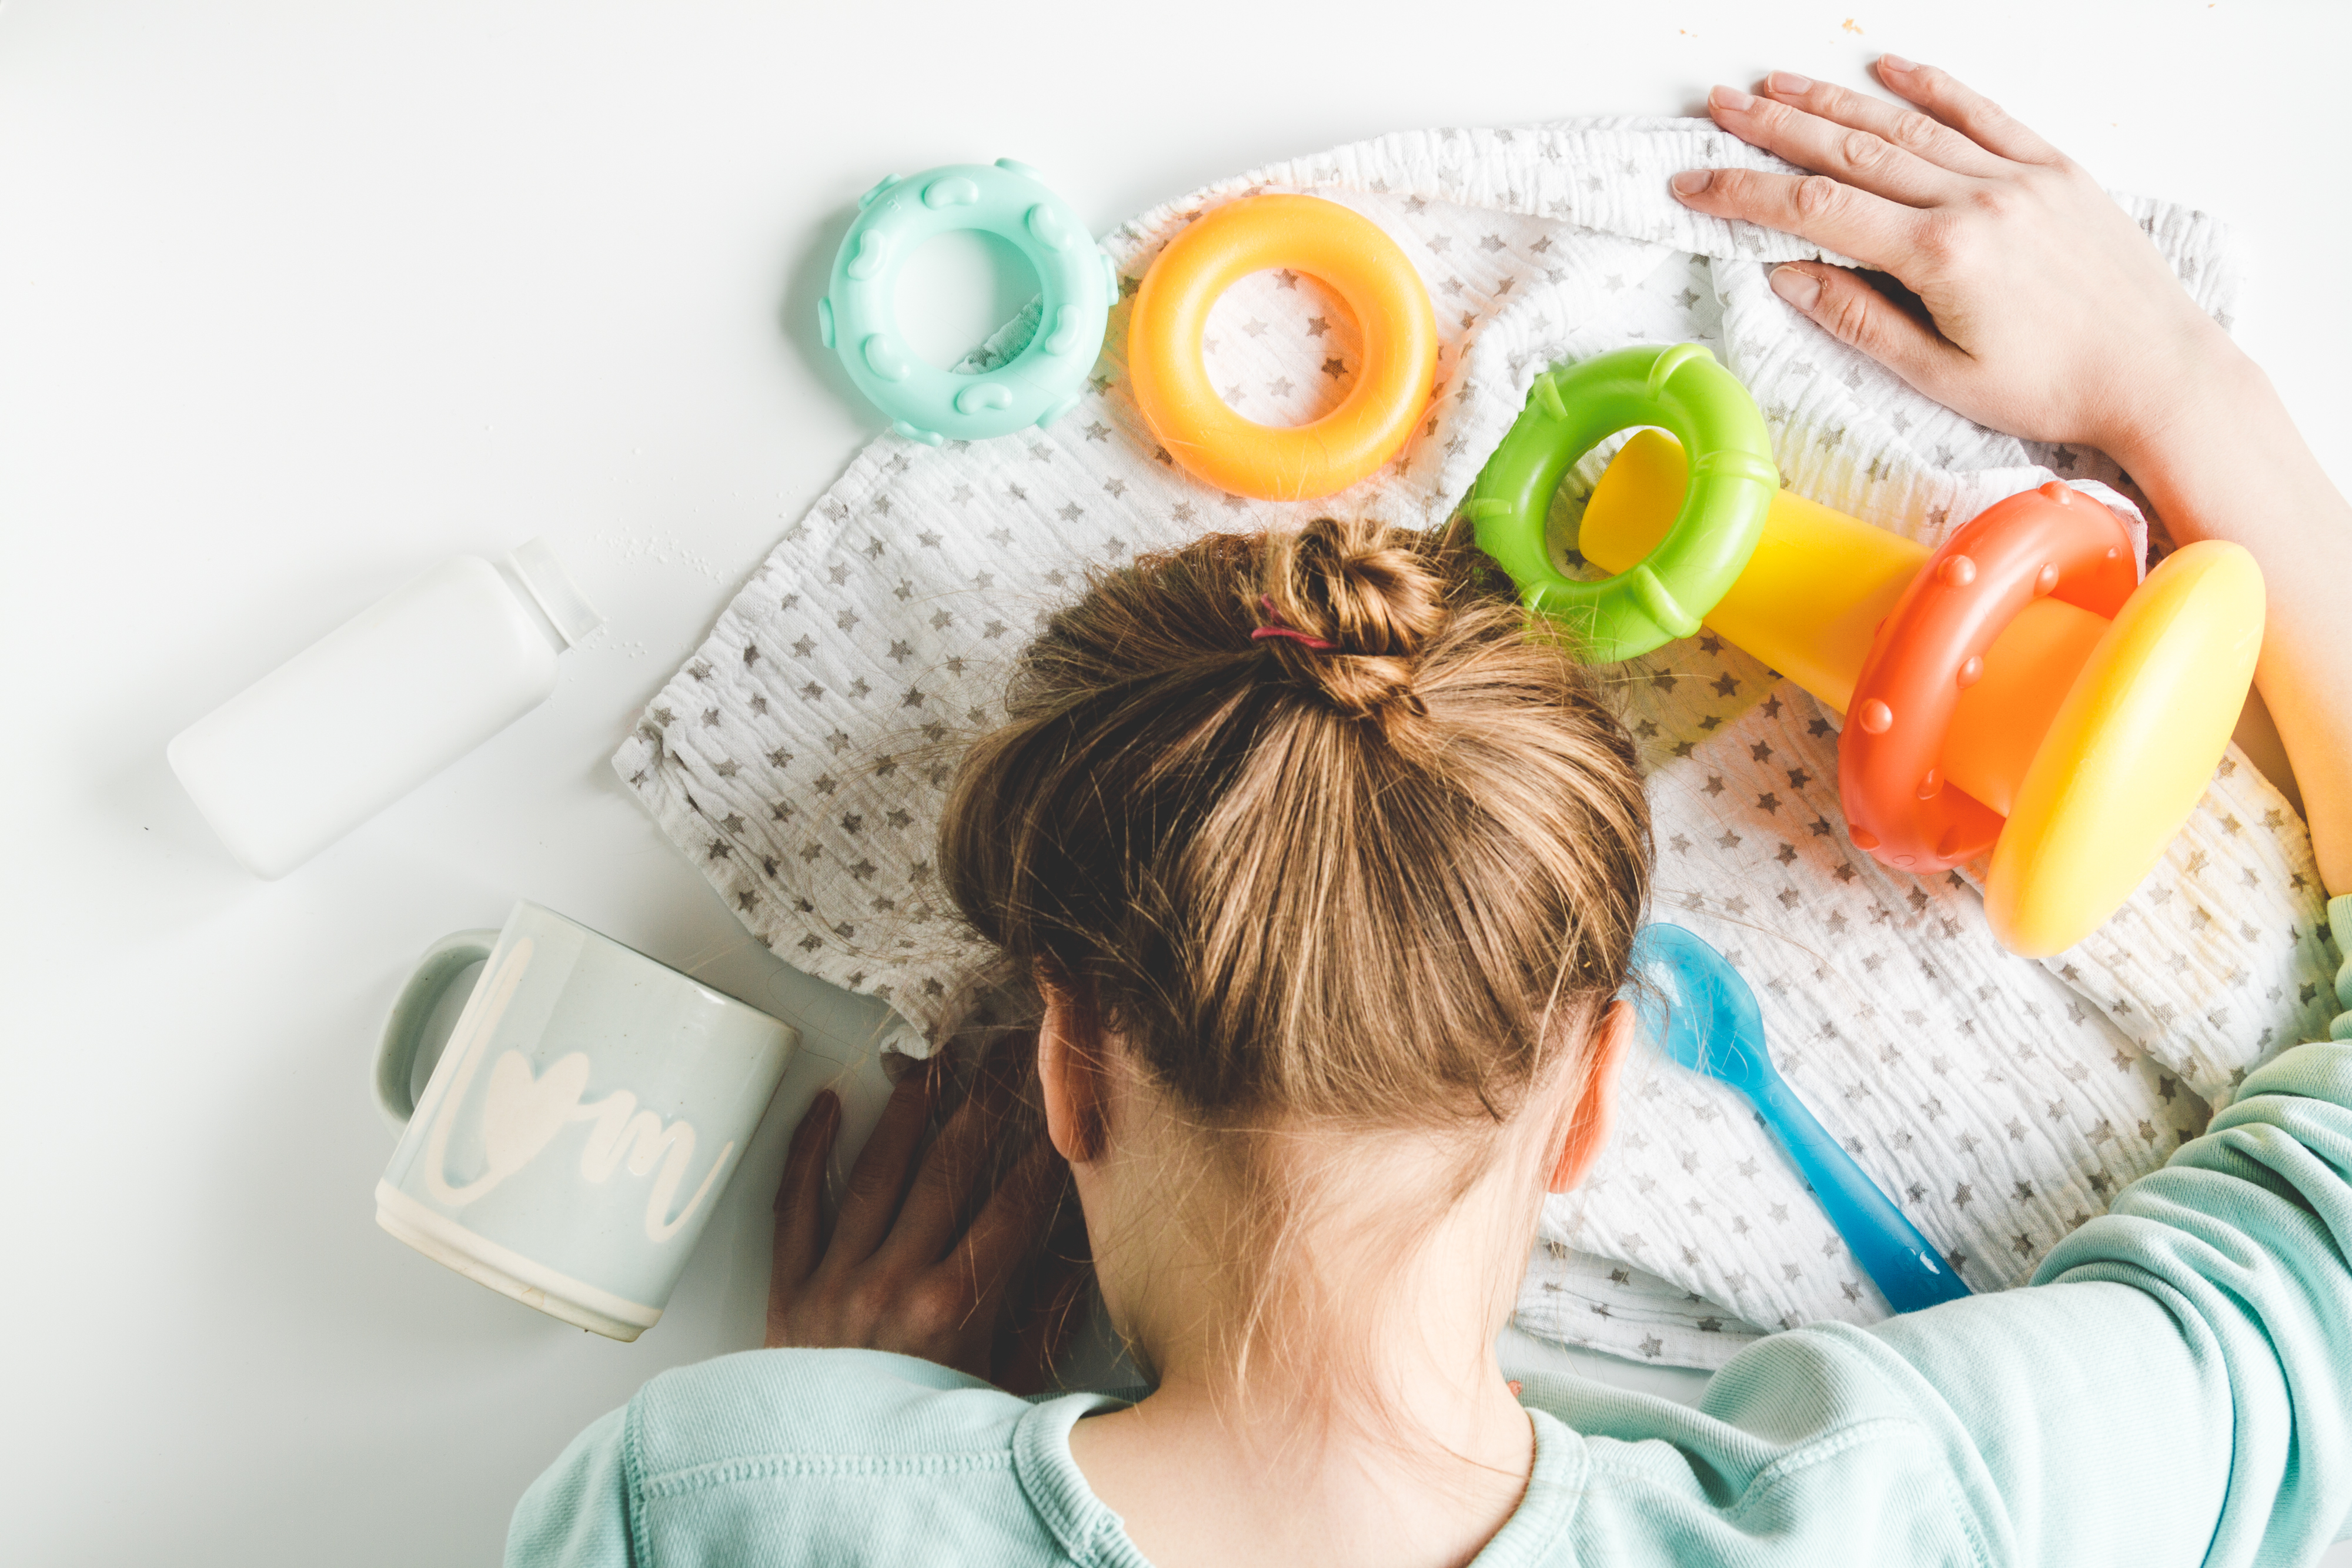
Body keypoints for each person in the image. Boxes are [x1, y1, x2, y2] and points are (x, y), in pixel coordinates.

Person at [507, 58, 2352, 1568]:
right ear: (1595, 1099)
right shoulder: (1933, 1515)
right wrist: (2180, 386)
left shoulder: (708, 1505)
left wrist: (839, 1452)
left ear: (1067, 1067)